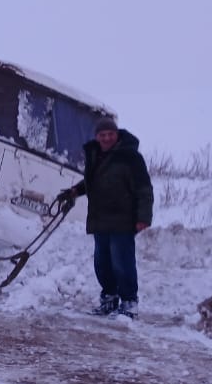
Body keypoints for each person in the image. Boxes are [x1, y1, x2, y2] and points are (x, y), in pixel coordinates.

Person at [57, 116, 154, 318]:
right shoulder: (95, 154)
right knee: (102, 263)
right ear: (97, 136)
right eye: (103, 135)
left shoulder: (131, 157)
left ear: (116, 134)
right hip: (100, 218)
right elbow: (93, 181)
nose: (107, 138)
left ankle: (129, 302)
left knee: (122, 262)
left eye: (110, 134)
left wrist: (143, 216)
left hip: (123, 219)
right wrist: (74, 191)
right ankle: (109, 299)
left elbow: (144, 189)